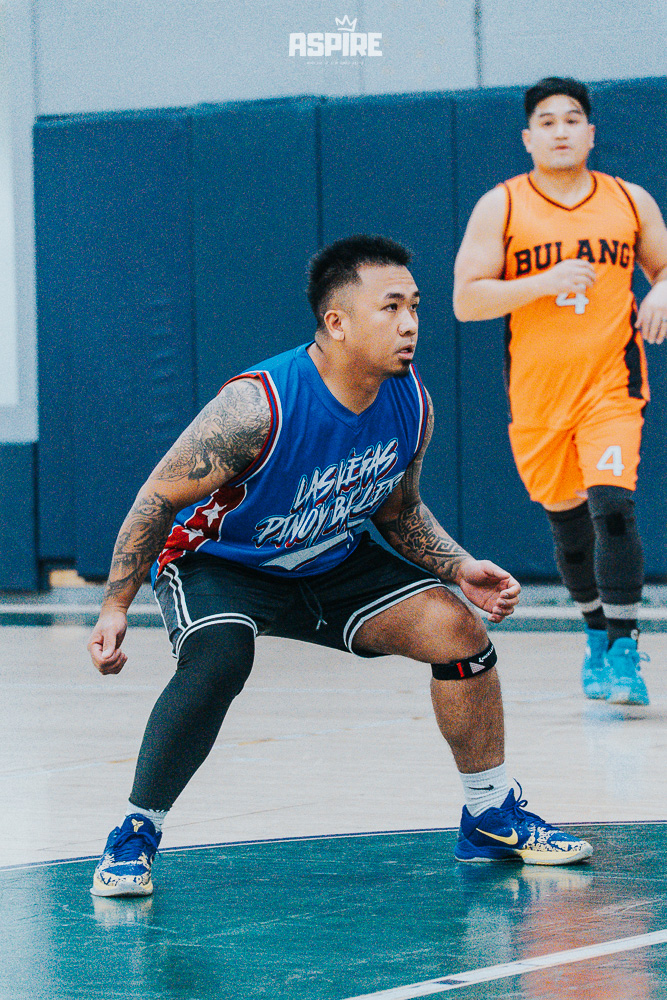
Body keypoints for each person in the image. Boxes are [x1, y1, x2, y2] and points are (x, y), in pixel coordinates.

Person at [88, 234, 592, 898]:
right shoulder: (256, 406)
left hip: (329, 559)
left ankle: (489, 815)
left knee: (458, 631)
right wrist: (115, 605)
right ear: (337, 322)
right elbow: (157, 498)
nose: (410, 323)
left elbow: (399, 511)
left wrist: (459, 567)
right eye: (391, 307)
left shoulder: (410, 401)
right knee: (220, 657)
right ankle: (136, 831)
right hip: (223, 562)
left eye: (415, 306)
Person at [454, 77, 667, 705]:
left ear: (591, 133)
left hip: (612, 384)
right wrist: (542, 282)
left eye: (572, 119)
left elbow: (664, 266)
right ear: (528, 138)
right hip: (538, 394)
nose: (561, 131)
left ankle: (625, 648)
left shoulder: (629, 200)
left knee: (613, 507)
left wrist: (661, 288)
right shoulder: (502, 205)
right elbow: (467, 299)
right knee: (570, 526)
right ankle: (596, 633)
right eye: (547, 122)